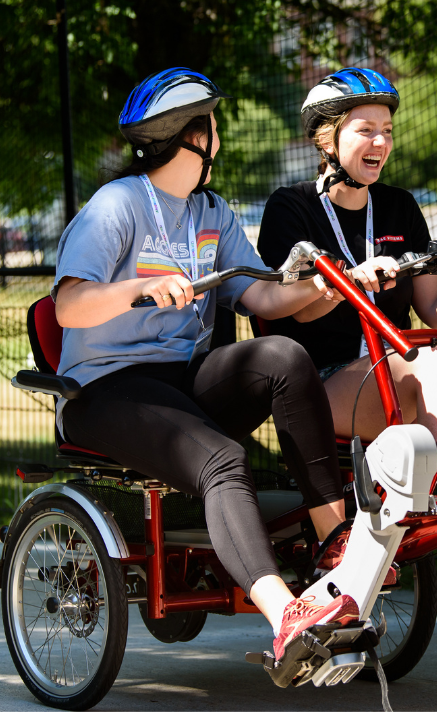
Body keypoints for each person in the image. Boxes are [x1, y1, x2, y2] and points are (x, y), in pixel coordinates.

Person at [53, 68, 360, 662]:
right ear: (190, 137)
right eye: (212, 128)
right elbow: (68, 305)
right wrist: (139, 290)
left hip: (181, 380)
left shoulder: (211, 212)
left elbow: (263, 297)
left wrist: (330, 286)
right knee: (223, 459)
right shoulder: (116, 205)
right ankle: (287, 615)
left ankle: (336, 549)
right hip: (104, 390)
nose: (218, 140)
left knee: (282, 355)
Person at [257, 67, 437, 585]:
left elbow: (436, 309)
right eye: (365, 129)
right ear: (328, 137)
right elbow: (292, 310)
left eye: (386, 130)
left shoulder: (400, 207)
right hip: (321, 383)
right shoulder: (290, 208)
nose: (380, 141)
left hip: (398, 371)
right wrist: (351, 283)